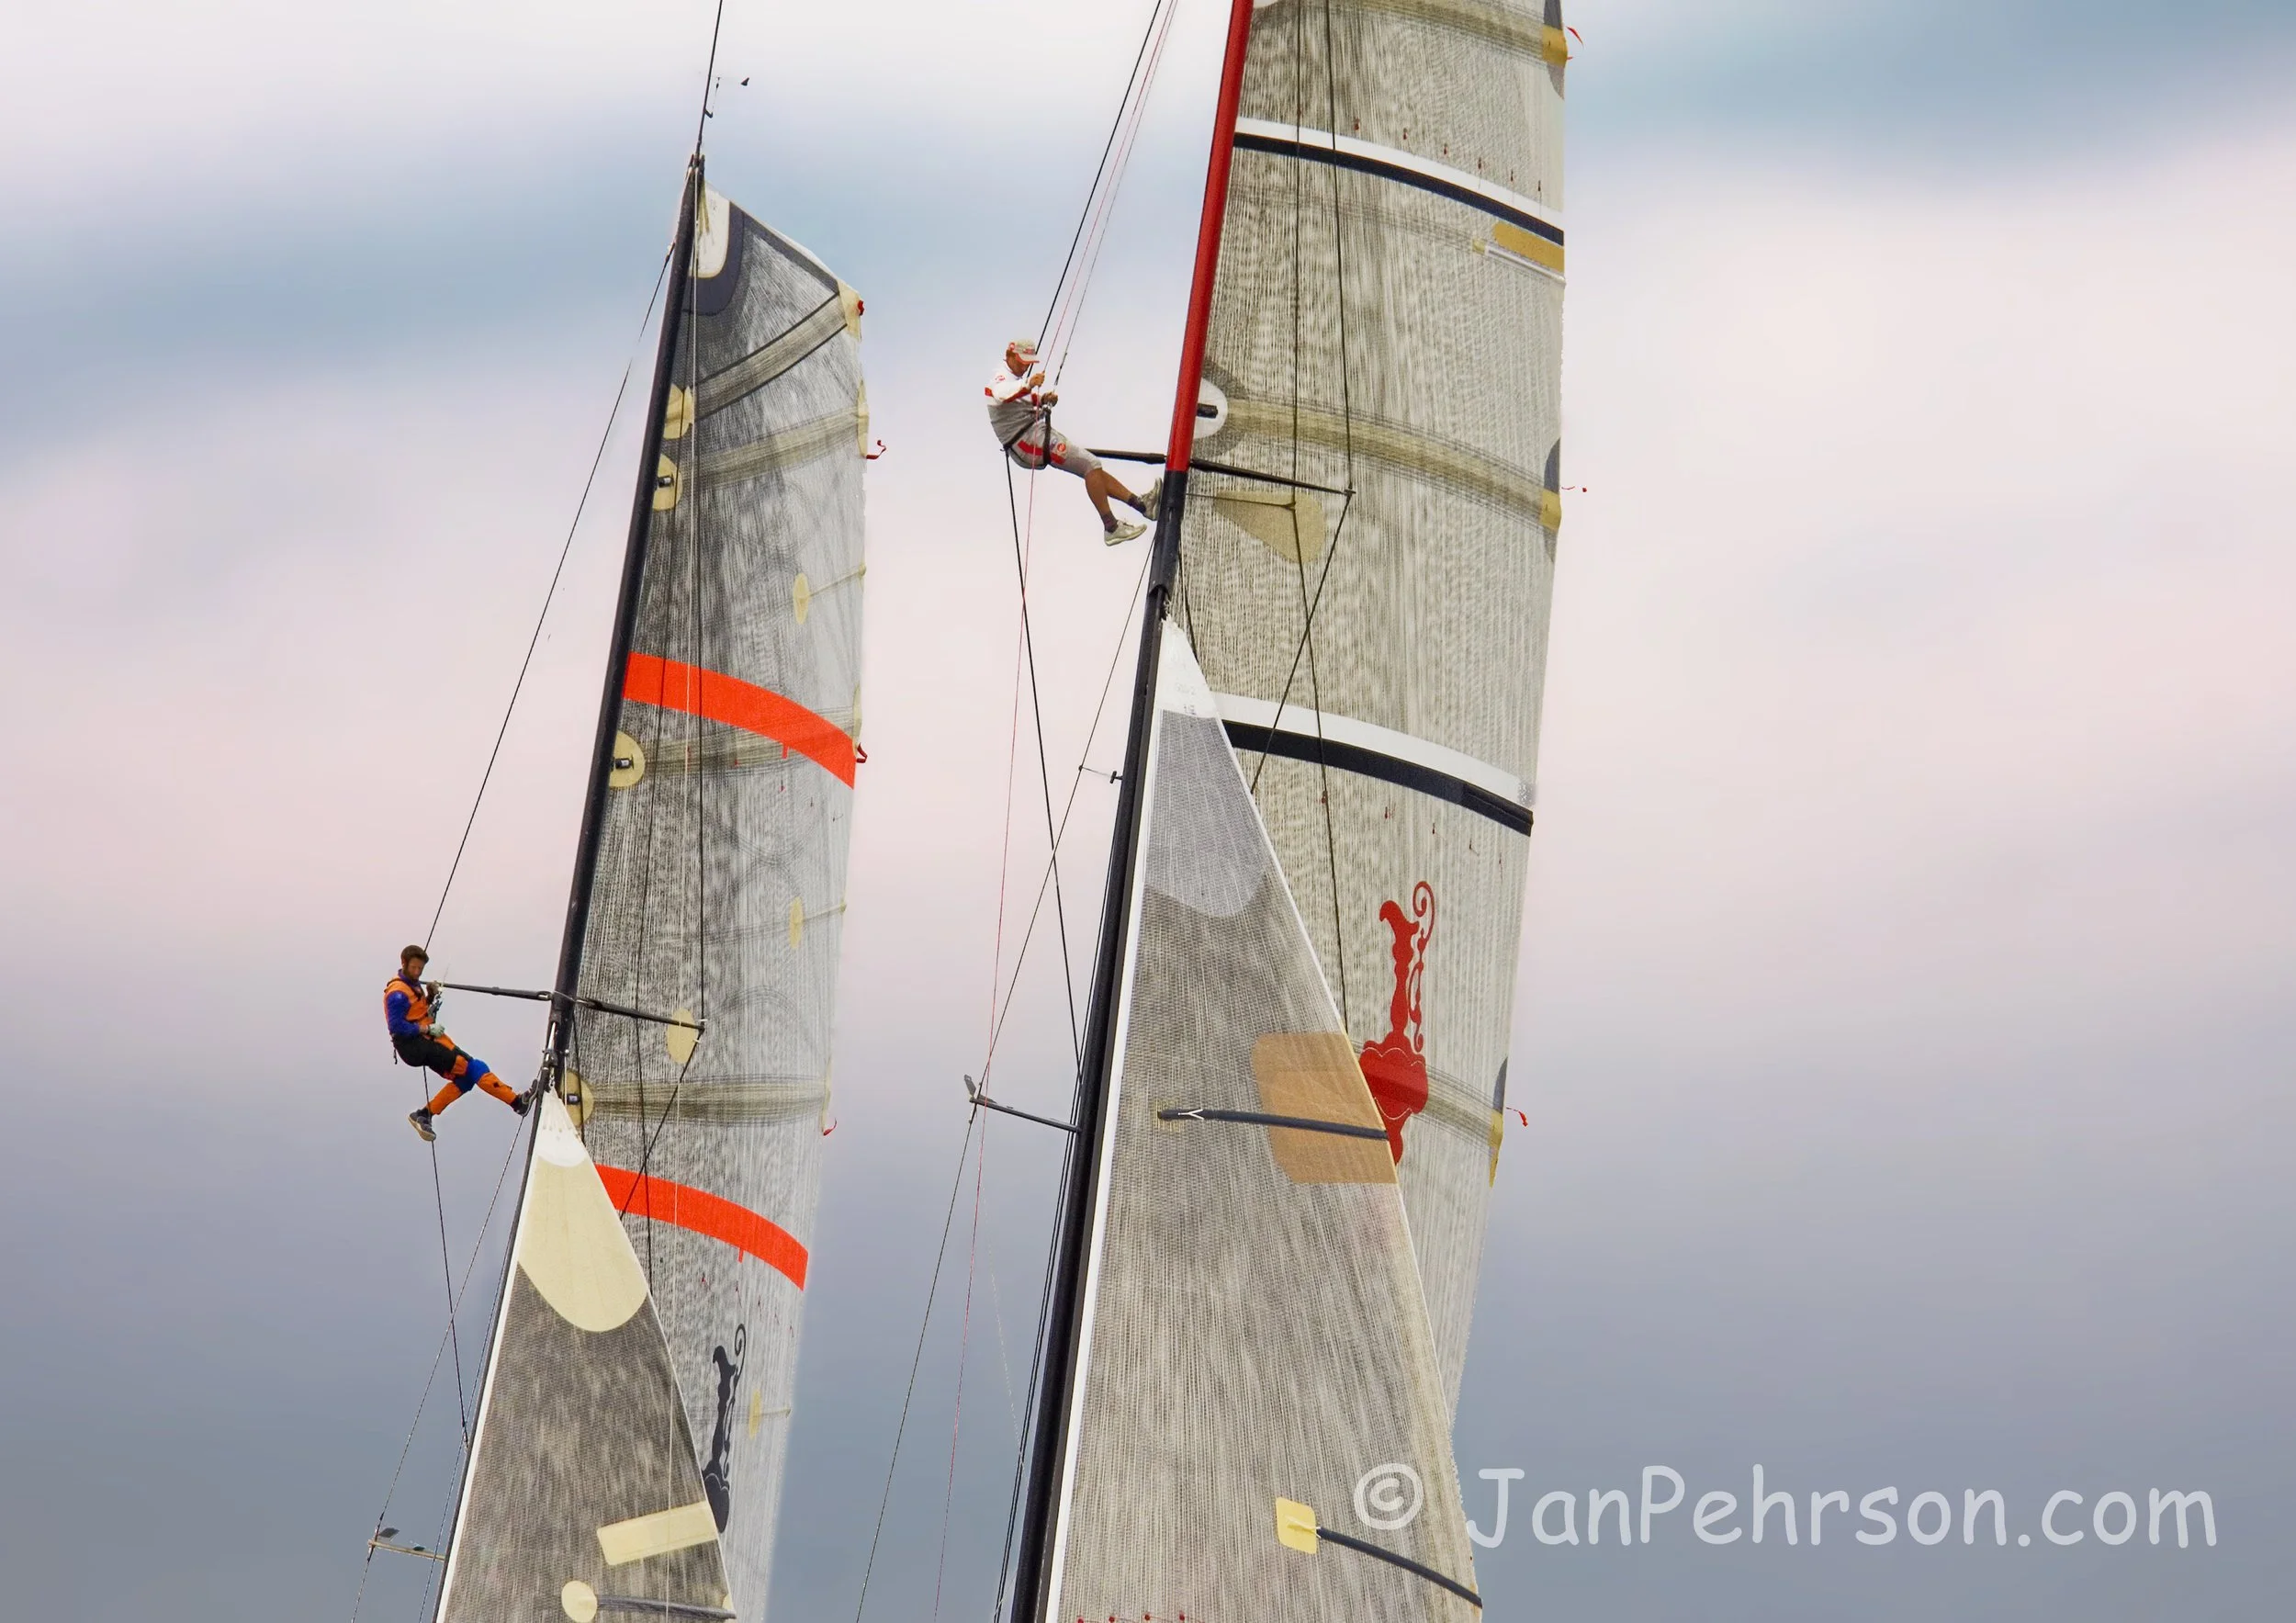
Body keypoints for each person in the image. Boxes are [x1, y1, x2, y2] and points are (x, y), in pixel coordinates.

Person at [985, 338, 1157, 544]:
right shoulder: (1001, 377)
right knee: (1090, 464)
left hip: (1034, 434)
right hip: (1025, 443)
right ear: (1009, 356)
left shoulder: (1013, 378)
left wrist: (1043, 400)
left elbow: (1018, 403)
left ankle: (1142, 506)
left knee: (1092, 465)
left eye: (1028, 362)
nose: (1025, 366)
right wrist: (1029, 383)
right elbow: (1001, 394)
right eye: (1022, 361)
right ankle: (1111, 527)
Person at [387, 945, 526, 1140]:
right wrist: (426, 1029)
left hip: (426, 1042)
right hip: (417, 1045)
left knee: (465, 1079)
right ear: (404, 963)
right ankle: (517, 1102)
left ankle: (424, 1115)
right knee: (474, 1067)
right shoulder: (398, 994)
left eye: (421, 969)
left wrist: (431, 996)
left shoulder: (412, 984)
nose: (417, 972)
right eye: (414, 968)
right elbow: (397, 1028)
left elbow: (416, 1012)